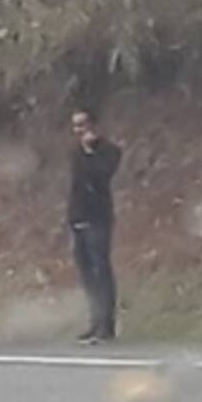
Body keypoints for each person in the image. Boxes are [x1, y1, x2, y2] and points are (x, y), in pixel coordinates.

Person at [67, 108, 122, 344]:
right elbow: (75, 185)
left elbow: (101, 177)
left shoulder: (110, 152)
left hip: (98, 218)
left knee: (101, 270)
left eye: (83, 125)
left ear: (94, 126)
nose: (79, 131)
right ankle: (94, 320)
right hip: (77, 216)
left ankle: (106, 325)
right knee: (86, 272)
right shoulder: (74, 153)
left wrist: (90, 152)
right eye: (76, 126)